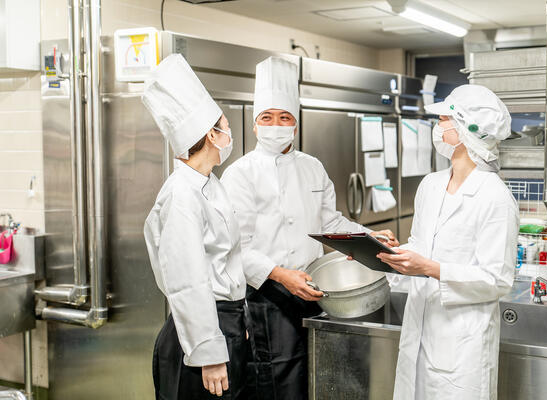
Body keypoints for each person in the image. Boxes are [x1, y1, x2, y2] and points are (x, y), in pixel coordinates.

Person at [220, 56, 399, 400]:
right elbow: (234, 248)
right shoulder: (239, 174)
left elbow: (330, 222)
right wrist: (280, 274)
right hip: (268, 296)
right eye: (267, 118)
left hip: (316, 290)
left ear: (295, 125)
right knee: (280, 381)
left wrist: (368, 236)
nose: (276, 124)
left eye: (284, 117)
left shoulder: (312, 167)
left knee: (319, 375)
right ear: (255, 126)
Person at [379, 84, 519, 400]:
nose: (438, 127)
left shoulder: (495, 197)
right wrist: (386, 252)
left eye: (444, 119)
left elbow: (496, 279)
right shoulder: (431, 185)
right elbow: (420, 244)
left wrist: (429, 268)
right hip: (419, 333)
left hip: (463, 348)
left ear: (466, 129)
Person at [143, 54, 247, 400]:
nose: (229, 133)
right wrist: (209, 352)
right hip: (199, 337)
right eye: (225, 126)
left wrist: (238, 324)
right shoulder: (182, 194)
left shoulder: (208, 183)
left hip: (222, 324)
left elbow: (225, 260)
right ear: (211, 134)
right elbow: (187, 281)